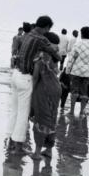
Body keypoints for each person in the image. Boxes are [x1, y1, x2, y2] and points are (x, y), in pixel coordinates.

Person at [7, 16, 59, 154]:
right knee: (23, 115)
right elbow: (56, 55)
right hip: (25, 78)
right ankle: (18, 148)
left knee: (14, 111)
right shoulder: (41, 39)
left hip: (15, 75)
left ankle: (10, 142)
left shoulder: (27, 34)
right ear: (47, 27)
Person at [30, 32, 62, 160]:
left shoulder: (42, 56)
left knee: (41, 118)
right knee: (51, 118)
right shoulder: (55, 55)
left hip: (44, 89)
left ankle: (37, 152)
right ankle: (48, 150)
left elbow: (36, 77)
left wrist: (31, 93)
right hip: (56, 88)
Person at [65, 26, 89, 116]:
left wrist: (67, 70)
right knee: (84, 91)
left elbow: (72, 58)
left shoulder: (78, 44)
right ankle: (82, 111)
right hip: (87, 72)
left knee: (74, 91)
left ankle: (71, 111)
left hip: (76, 71)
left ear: (81, 34)